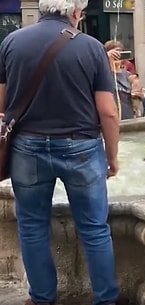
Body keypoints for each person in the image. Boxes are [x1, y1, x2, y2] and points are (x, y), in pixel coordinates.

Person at [0, 0, 123, 304]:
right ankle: (106, 299)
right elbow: (108, 112)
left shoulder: (11, 42)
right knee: (94, 228)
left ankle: (42, 298)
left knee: (31, 225)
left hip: (27, 146)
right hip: (81, 146)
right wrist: (112, 156)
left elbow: (2, 105)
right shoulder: (92, 48)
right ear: (76, 13)